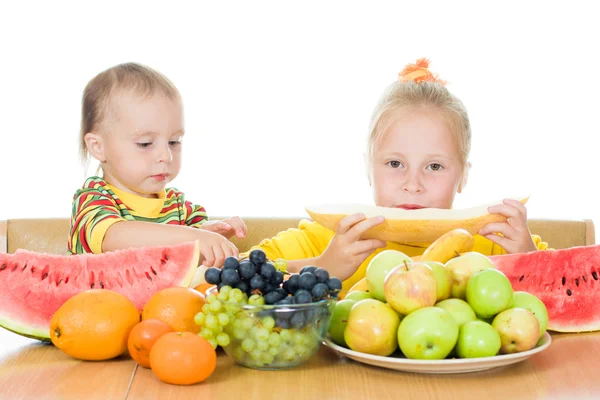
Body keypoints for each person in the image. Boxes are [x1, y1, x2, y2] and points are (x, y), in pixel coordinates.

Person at [244, 58, 548, 292]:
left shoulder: (496, 243)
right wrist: (322, 268)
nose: (412, 185)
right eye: (394, 164)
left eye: (434, 167)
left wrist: (529, 262)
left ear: (463, 176)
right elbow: (224, 282)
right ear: (368, 167)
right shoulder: (326, 239)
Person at [68, 62, 246, 268]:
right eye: (145, 143)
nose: (166, 155)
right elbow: (112, 236)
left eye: (174, 141)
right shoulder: (93, 198)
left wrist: (212, 232)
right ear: (98, 147)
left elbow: (196, 248)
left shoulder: (179, 207)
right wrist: (193, 236)